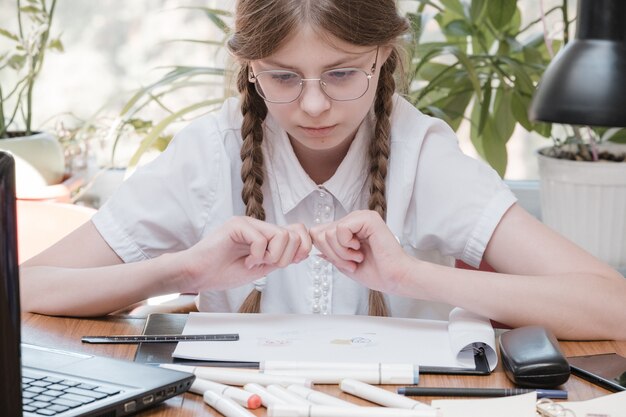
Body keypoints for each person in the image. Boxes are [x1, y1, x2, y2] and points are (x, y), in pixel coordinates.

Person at [20, 0, 626, 340]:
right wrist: (187, 268)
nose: (312, 105)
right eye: (283, 76)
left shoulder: (422, 152)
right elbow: (23, 289)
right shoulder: (210, 150)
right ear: (250, 68)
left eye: (342, 72)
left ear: (383, 56)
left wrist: (412, 277)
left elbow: (611, 306)